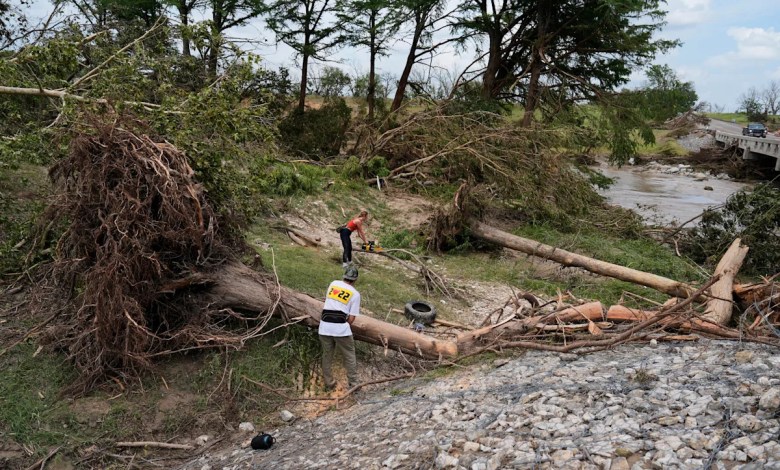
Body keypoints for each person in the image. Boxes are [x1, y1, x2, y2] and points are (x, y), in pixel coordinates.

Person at [319, 265, 361, 391]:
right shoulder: (355, 294)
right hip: (340, 329)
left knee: (327, 355)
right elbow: (352, 319)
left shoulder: (333, 284)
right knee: (349, 355)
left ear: (344, 276)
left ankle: (329, 382)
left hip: (324, 326)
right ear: (355, 280)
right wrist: (343, 321)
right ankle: (354, 384)